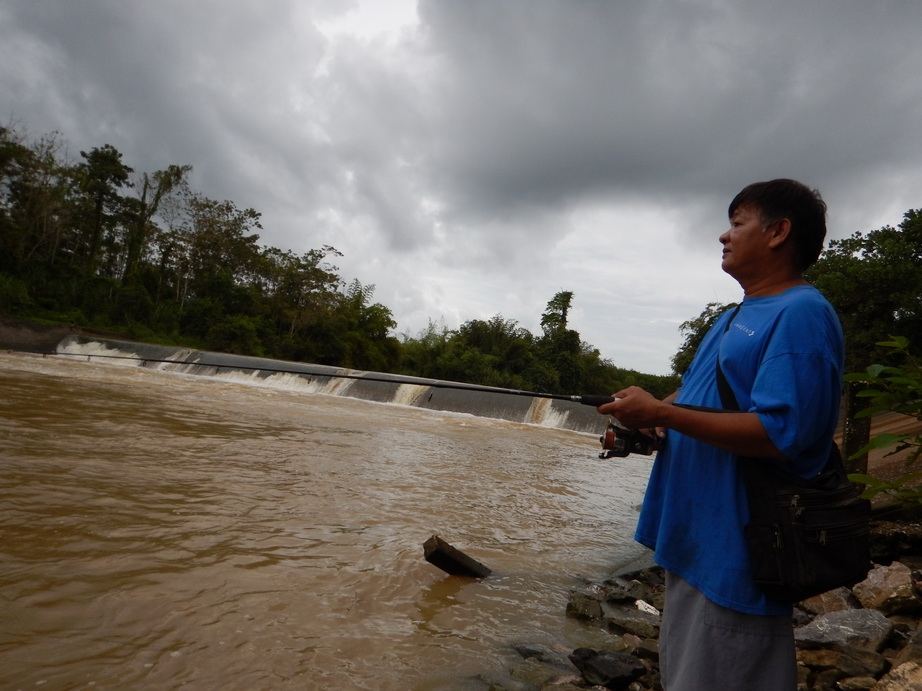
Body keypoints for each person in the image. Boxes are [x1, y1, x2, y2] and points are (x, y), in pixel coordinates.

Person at [598, 179, 843, 690]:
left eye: (737, 223)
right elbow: (693, 406)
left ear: (778, 232)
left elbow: (781, 434)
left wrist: (669, 414)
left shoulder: (801, 314)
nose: (723, 237)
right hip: (692, 540)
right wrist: (645, 421)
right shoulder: (733, 316)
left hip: (737, 553)